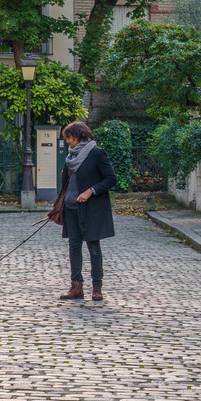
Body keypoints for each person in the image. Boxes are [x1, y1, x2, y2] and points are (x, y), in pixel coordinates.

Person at [58, 121, 116, 301]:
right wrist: (59, 206)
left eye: (69, 138)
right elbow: (65, 184)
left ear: (78, 135)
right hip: (71, 208)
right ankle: (76, 287)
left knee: (93, 247)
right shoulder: (70, 158)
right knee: (74, 247)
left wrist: (91, 191)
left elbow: (111, 179)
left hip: (91, 209)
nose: (67, 142)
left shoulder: (97, 154)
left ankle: (97, 288)